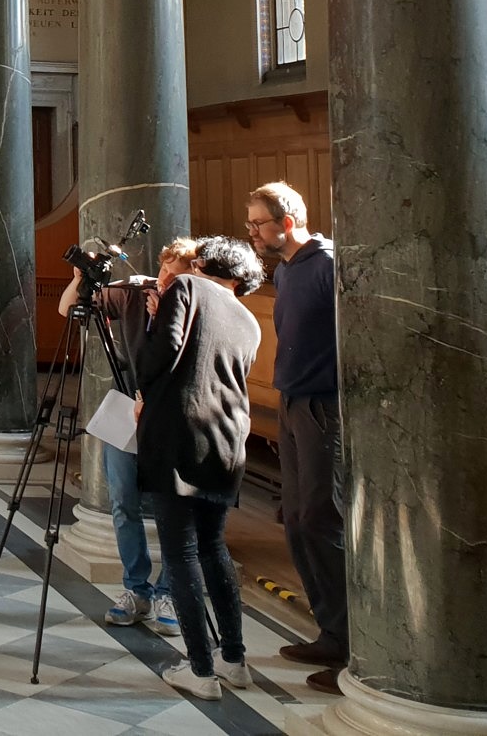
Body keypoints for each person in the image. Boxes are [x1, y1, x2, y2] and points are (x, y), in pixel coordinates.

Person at [136, 236, 266, 701]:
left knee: (181, 554)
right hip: (228, 441)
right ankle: (234, 659)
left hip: (179, 437)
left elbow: (159, 358)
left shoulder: (187, 286)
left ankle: (200, 670)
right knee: (213, 549)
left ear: (205, 262)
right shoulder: (250, 320)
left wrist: (150, 325)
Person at [57, 236, 199, 638]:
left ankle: (169, 591)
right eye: (164, 271)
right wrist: (80, 277)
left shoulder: (200, 308)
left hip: (177, 416)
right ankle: (136, 590)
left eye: (178, 275)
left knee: (177, 507)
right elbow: (68, 308)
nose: (166, 281)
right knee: (122, 501)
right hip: (130, 409)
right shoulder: (136, 295)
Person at [246, 180, 346, 693]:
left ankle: (353, 641)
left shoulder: (328, 265)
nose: (252, 233)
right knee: (296, 519)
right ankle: (330, 631)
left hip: (322, 405)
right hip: (291, 400)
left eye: (258, 223)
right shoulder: (287, 270)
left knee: (321, 516)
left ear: (287, 223)